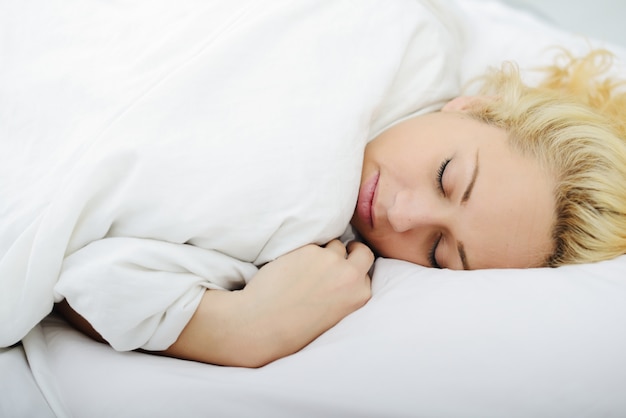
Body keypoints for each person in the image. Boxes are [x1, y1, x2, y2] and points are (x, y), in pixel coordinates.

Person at [57, 48, 626, 367]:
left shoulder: (308, 245)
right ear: (473, 107)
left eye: (437, 250)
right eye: (446, 177)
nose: (402, 216)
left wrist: (237, 330)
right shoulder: (410, 40)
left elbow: (75, 273)